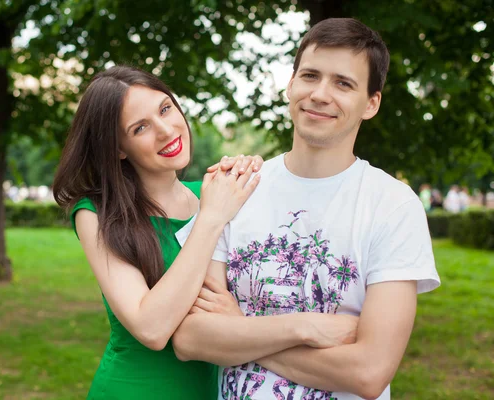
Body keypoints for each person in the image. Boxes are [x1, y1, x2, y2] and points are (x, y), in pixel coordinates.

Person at [172, 18, 441, 400]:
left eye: (343, 83)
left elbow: (368, 373)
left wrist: (241, 328)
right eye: (310, 76)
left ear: (371, 103)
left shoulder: (393, 206)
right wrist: (305, 327)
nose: (319, 94)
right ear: (290, 85)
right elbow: (190, 338)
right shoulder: (236, 188)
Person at [52, 66, 356, 400]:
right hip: (134, 389)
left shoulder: (216, 193)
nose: (166, 130)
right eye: (140, 128)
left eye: (165, 109)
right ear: (118, 148)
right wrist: (210, 217)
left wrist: (258, 177)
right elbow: (150, 328)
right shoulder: (96, 213)